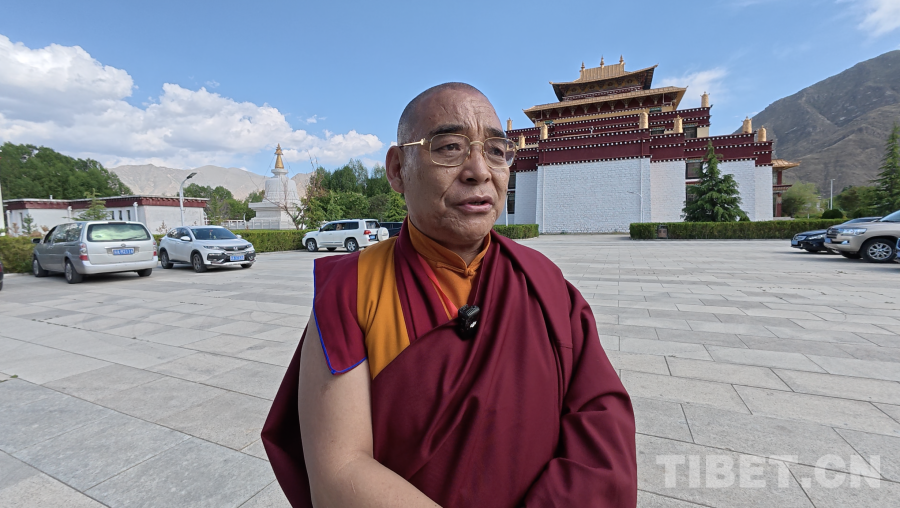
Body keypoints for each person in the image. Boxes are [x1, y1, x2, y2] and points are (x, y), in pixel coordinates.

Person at [262, 83, 637, 508]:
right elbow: (339, 474)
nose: (480, 170)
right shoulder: (353, 288)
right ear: (397, 170)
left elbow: (602, 429)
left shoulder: (543, 282)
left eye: (496, 150)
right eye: (450, 147)